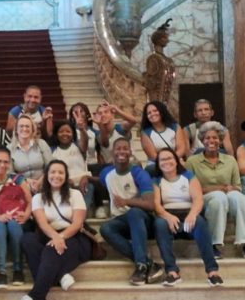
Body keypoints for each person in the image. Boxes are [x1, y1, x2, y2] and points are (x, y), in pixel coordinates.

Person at [15, 160, 92, 300]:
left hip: (74, 237)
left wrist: (60, 237)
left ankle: (34, 298)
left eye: (61, 172)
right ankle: (60, 275)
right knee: (28, 240)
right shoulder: (38, 198)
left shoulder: (75, 194)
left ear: (66, 176)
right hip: (49, 235)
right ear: (46, 175)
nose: (56, 176)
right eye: (53, 172)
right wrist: (56, 237)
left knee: (50, 250)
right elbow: (42, 223)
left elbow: (77, 224)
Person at [152, 148, 223, 287]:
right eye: (162, 160)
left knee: (200, 223)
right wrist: (168, 216)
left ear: (176, 160)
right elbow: (156, 205)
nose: (166, 162)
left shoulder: (188, 176)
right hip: (168, 216)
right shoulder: (156, 181)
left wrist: (192, 214)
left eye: (169, 158)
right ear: (158, 164)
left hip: (189, 214)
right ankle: (172, 272)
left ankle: (212, 272)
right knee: (159, 224)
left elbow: (198, 199)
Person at [186, 121, 245, 259]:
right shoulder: (192, 161)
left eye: (215, 138)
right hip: (204, 198)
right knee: (219, 197)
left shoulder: (230, 160)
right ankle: (212, 243)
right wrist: (218, 188)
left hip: (227, 194)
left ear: (221, 140)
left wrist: (230, 188)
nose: (211, 141)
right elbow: (190, 189)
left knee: (239, 197)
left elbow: (238, 186)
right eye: (207, 138)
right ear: (202, 140)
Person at [99, 137, 164, 285]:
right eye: (118, 148)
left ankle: (141, 266)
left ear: (130, 152)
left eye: (125, 148)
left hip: (142, 220)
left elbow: (150, 204)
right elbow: (100, 181)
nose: (121, 151)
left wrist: (127, 201)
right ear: (112, 152)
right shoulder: (106, 173)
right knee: (105, 228)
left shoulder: (139, 173)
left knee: (133, 212)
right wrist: (86, 178)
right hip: (122, 221)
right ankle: (148, 263)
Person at [0, 146, 32, 288]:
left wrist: (26, 215)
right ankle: (1, 273)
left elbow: (30, 201)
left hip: (20, 219)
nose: (2, 165)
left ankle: (18, 270)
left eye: (5, 162)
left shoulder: (18, 179)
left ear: (10, 163)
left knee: (14, 223)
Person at [51, 121, 94, 210]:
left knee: (89, 188)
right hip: (64, 185)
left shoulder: (78, 147)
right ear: (56, 134)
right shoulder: (53, 151)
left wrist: (82, 130)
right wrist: (64, 181)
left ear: (73, 133)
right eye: (61, 131)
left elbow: (85, 142)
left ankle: (82, 213)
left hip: (83, 184)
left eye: (68, 131)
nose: (65, 134)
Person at [8, 113, 52, 194]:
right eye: (21, 126)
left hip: (44, 184)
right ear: (16, 130)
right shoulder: (9, 149)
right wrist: (26, 181)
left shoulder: (41, 144)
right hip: (21, 186)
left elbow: (51, 167)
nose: (24, 129)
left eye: (27, 126)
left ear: (32, 129)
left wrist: (39, 182)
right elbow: (10, 173)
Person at [140, 100, 188, 171]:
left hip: (176, 160)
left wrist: (172, 160)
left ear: (162, 111)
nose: (152, 114)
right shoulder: (145, 132)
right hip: (156, 163)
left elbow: (181, 149)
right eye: (149, 113)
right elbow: (153, 155)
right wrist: (166, 162)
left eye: (155, 111)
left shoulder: (175, 127)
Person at [94, 101, 137, 165]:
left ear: (112, 115)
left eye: (106, 112)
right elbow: (105, 143)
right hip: (111, 166)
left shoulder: (121, 127)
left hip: (129, 164)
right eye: (100, 113)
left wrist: (117, 110)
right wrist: (100, 124)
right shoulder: (99, 135)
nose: (103, 115)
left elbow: (133, 121)